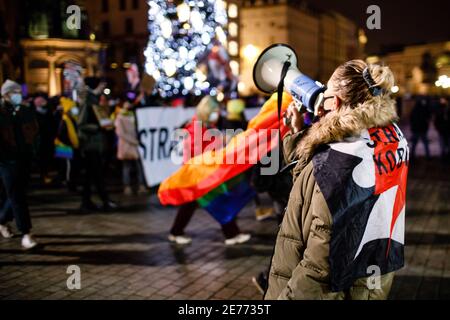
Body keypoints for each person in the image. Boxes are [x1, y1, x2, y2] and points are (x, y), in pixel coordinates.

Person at [264, 60, 408, 299]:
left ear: (337, 101)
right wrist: (298, 131)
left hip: (338, 289)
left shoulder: (339, 158)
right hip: (373, 276)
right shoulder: (391, 135)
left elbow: (320, 264)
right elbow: (311, 180)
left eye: (327, 94)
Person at [168, 96, 251, 246]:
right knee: (216, 202)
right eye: (215, 111)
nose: (218, 114)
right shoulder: (196, 128)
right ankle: (231, 233)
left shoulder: (206, 126)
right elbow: (194, 152)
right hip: (197, 174)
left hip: (202, 173)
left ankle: (176, 232)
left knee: (197, 204)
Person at [0, 80, 40, 249]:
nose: (17, 95)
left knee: (17, 193)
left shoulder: (25, 111)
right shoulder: (0, 112)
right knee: (17, 196)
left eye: (18, 92)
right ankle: (26, 233)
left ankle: (1, 220)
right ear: (5, 95)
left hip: (25, 157)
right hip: (6, 160)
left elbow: (36, 132)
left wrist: (34, 151)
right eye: (13, 92)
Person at [78, 77, 117, 213]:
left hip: (95, 143)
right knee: (97, 174)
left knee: (91, 175)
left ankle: (87, 202)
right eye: (101, 85)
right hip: (90, 144)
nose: (103, 88)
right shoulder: (88, 100)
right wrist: (99, 127)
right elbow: (81, 123)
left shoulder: (94, 99)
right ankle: (104, 200)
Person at [115, 100, 146, 195]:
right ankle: (127, 187)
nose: (128, 104)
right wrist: (134, 141)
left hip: (134, 145)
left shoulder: (133, 115)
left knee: (138, 167)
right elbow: (120, 133)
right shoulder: (120, 117)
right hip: (127, 145)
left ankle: (141, 185)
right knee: (127, 167)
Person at [434, 97, 449, 161]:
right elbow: (437, 120)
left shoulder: (448, 109)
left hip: (448, 130)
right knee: (442, 144)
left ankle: (447, 156)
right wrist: (438, 128)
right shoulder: (439, 109)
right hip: (442, 130)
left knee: (447, 144)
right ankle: (443, 156)